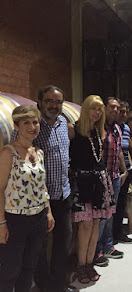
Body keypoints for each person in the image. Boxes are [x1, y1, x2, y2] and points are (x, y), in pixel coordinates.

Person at [14, 86, 76, 292]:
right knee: (40, 247)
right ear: (39, 102)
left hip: (63, 193)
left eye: (58, 102)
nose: (54, 105)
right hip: (42, 198)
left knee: (63, 241)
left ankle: (59, 284)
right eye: (49, 101)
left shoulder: (62, 124)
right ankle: (45, 285)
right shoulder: (35, 126)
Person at [0, 105, 55, 292]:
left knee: (28, 269)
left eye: (35, 122)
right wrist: (1, 224)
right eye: (27, 123)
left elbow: (42, 185)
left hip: (38, 218)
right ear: (16, 126)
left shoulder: (38, 152)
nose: (33, 126)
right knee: (9, 271)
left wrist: (48, 212)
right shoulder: (9, 153)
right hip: (15, 220)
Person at [68, 95, 116, 283]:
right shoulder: (74, 129)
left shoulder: (98, 130)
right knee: (85, 225)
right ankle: (81, 265)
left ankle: (89, 263)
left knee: (96, 224)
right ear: (86, 109)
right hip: (82, 181)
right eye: (93, 108)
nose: (96, 113)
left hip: (98, 180)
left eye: (99, 110)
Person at [94, 97, 128, 267]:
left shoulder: (116, 128)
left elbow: (119, 151)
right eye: (112, 107)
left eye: (117, 107)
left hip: (114, 176)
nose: (115, 110)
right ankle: (97, 250)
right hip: (101, 178)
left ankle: (108, 245)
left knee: (110, 215)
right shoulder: (98, 127)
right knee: (101, 216)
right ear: (105, 108)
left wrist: (124, 170)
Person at [113, 101, 132, 243]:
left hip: (125, 171)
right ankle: (109, 236)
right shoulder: (110, 127)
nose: (124, 115)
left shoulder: (126, 128)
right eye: (121, 111)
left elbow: (125, 150)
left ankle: (118, 232)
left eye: (126, 112)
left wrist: (130, 168)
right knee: (112, 206)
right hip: (114, 171)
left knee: (121, 204)